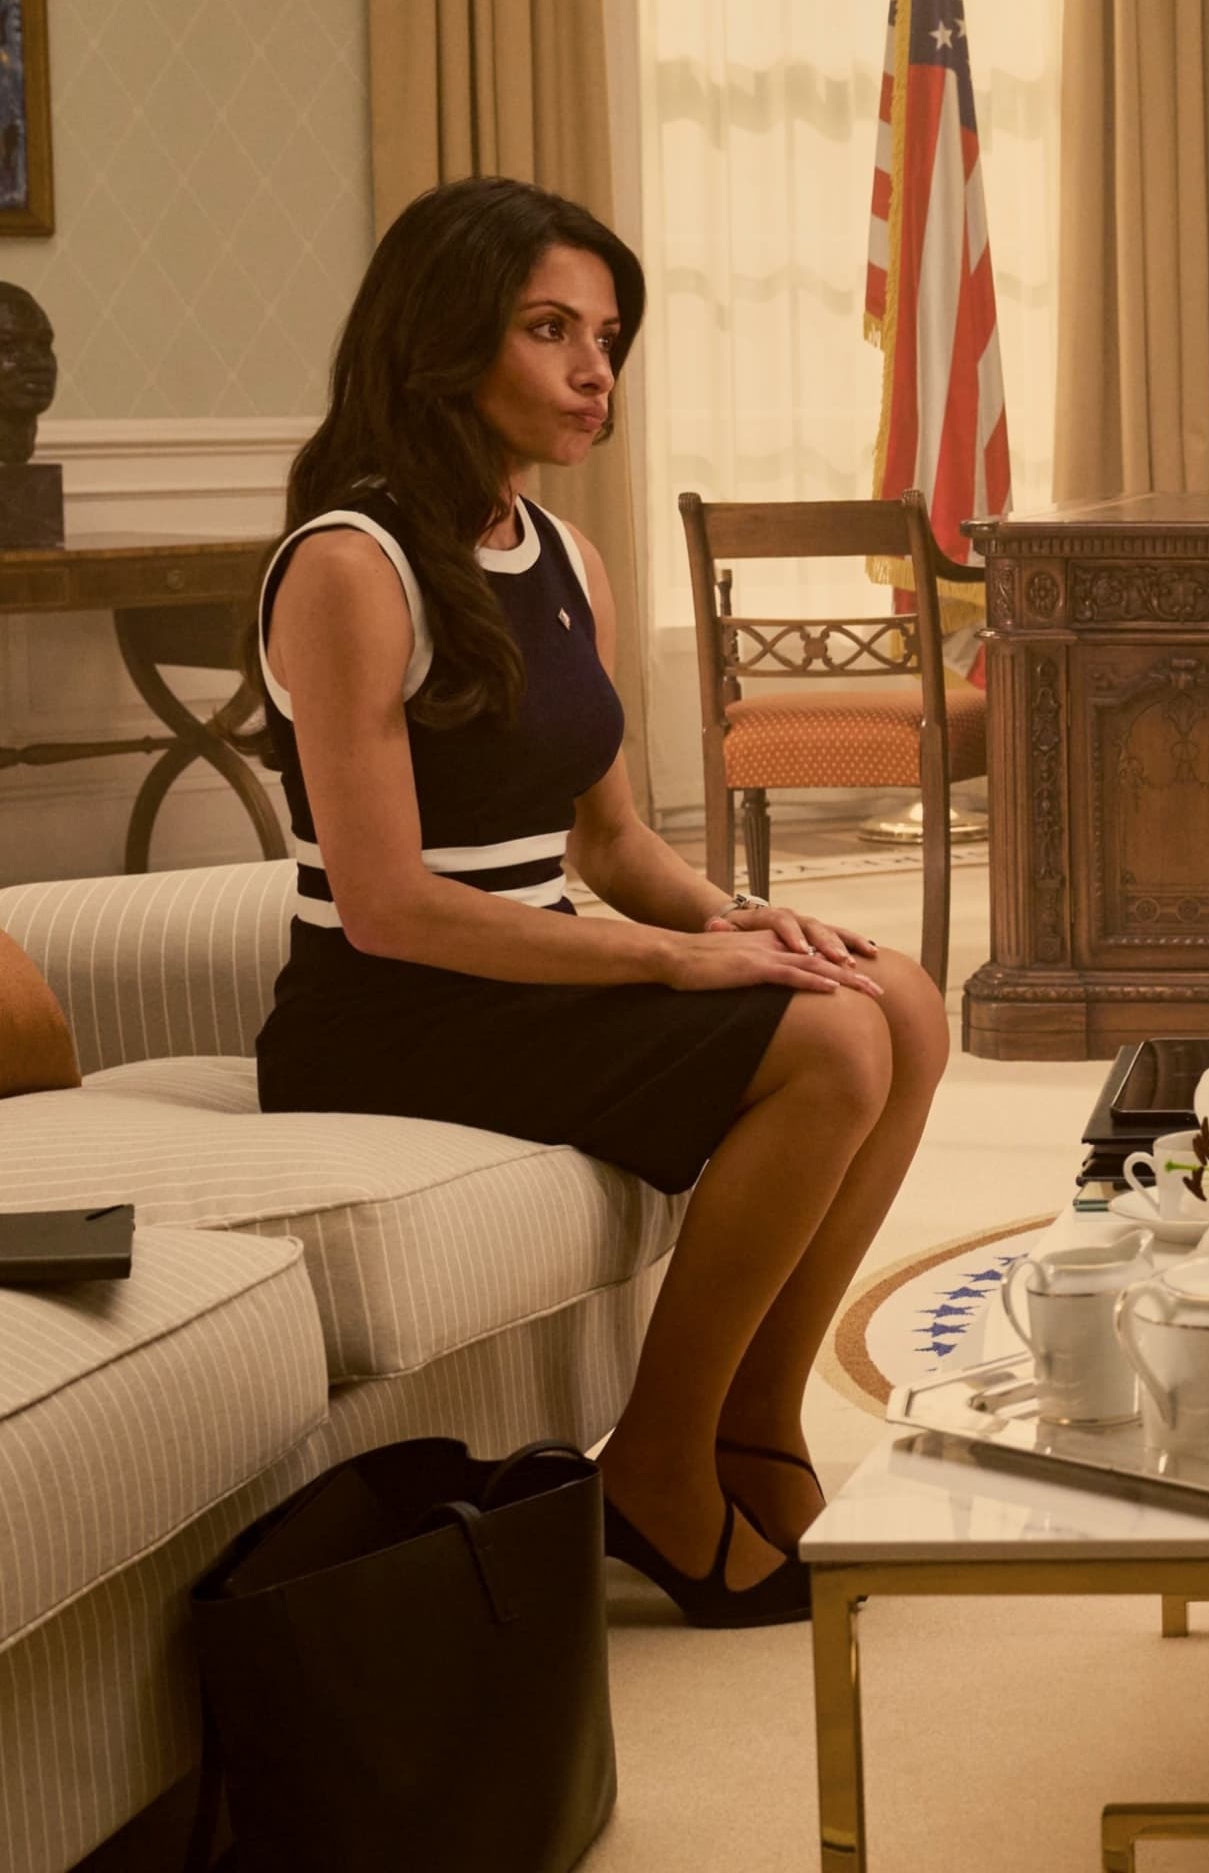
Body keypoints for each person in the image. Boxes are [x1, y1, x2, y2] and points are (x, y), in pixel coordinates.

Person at [255, 176, 948, 1629]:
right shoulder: (348, 564)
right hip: (389, 1014)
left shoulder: (562, 555)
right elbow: (386, 908)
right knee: (831, 1046)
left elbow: (615, 838)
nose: (594, 373)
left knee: (897, 1000)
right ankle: (653, 1468)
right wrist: (667, 967)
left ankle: (752, 1429)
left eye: (608, 338)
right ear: (445, 340)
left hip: (519, 976)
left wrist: (737, 920)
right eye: (550, 330)